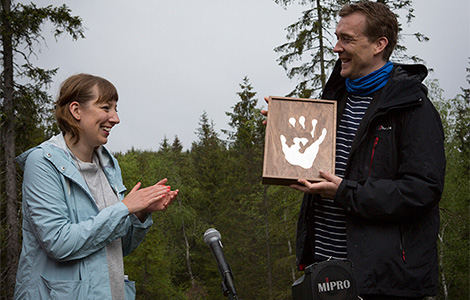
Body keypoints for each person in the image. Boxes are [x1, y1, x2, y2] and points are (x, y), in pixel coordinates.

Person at [262, 1, 445, 299]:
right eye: (337, 37)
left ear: (379, 45)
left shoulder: (414, 108)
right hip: (325, 275)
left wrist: (345, 193)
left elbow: (422, 190)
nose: (336, 47)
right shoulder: (333, 102)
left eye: (347, 39)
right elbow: (322, 165)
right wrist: (285, 128)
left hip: (385, 283)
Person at [14, 73, 179, 300]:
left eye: (116, 109)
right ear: (76, 110)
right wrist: (123, 208)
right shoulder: (42, 163)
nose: (116, 118)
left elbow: (115, 247)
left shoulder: (109, 165)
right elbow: (58, 243)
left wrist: (140, 212)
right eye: (105, 108)